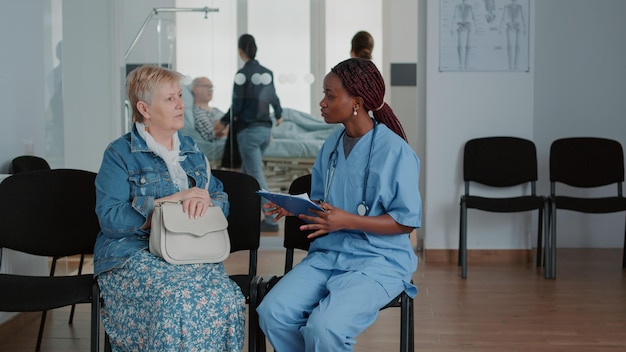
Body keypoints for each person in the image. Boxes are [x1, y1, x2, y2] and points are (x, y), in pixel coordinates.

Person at [256, 58, 422, 351]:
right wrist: (295, 207)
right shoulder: (331, 147)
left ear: (356, 102)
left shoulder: (395, 151)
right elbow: (325, 204)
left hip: (378, 261)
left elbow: (406, 220)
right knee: (273, 313)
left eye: (330, 95)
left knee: (324, 327)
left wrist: (348, 221)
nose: (322, 102)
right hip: (328, 255)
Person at [93, 65, 246, 351]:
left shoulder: (192, 150)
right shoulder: (119, 154)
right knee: (177, 300)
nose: (180, 104)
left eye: (179, 96)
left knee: (228, 296)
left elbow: (219, 198)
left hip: (191, 251)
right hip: (131, 254)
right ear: (145, 108)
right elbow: (110, 219)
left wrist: (207, 202)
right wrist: (168, 204)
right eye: (170, 99)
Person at [214, 33, 283, 232]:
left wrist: (224, 122)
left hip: (249, 133)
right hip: (264, 131)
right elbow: (273, 97)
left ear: (240, 51)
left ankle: (271, 220)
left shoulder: (242, 75)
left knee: (255, 176)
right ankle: (240, 216)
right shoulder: (266, 72)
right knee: (245, 175)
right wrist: (279, 114)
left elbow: (237, 104)